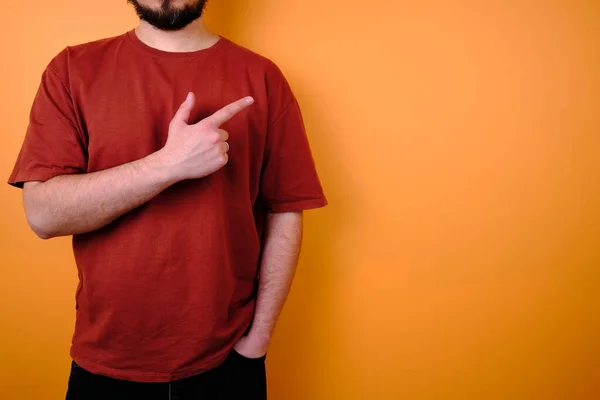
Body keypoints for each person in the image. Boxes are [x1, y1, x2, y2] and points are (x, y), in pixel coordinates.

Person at [7, 0, 327, 398]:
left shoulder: (262, 77)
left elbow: (286, 209)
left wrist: (256, 343)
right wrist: (167, 165)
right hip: (106, 359)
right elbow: (42, 215)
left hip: (228, 360)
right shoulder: (72, 70)